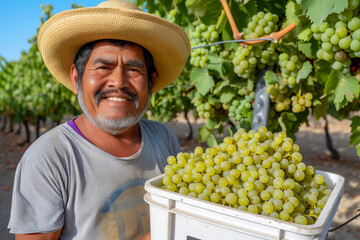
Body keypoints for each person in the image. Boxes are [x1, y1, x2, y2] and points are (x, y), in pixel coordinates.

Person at [7, 0, 190, 239]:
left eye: (134, 69)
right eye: (104, 67)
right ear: (76, 78)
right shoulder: (48, 158)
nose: (118, 81)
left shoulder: (164, 139)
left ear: (151, 82)